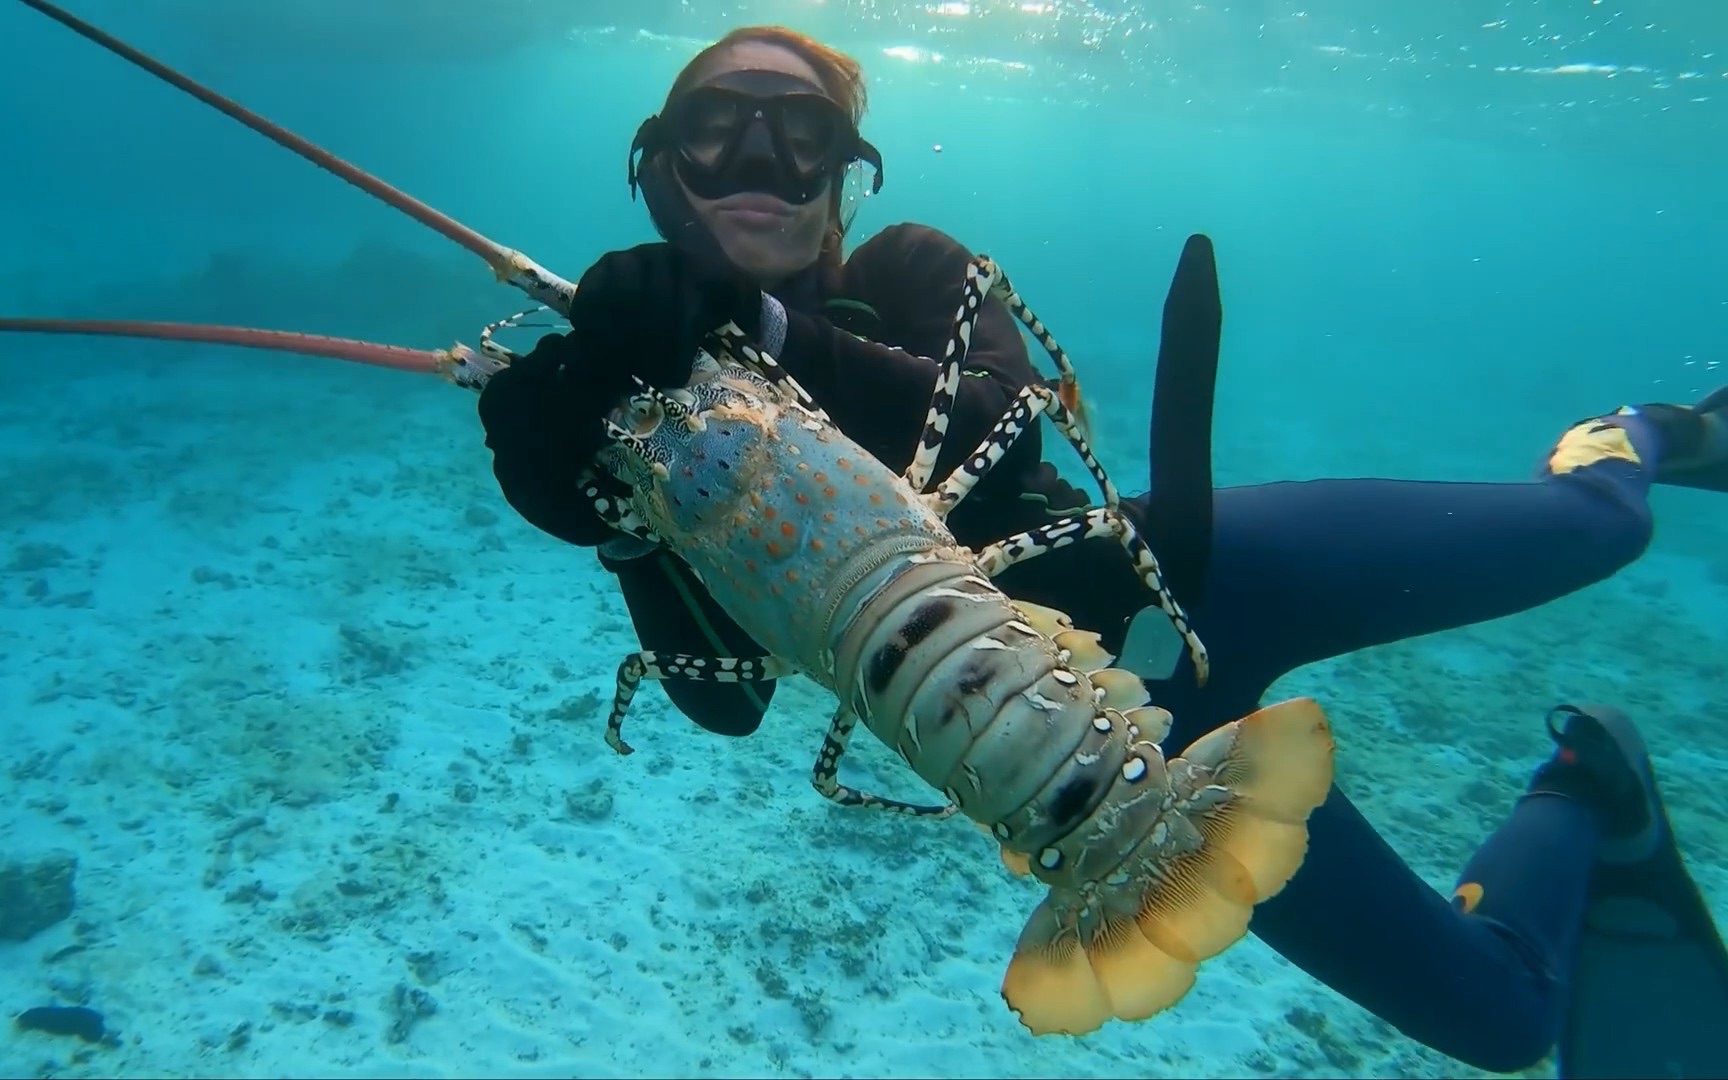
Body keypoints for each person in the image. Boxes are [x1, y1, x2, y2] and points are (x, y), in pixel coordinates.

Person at [475, 24, 1728, 1078]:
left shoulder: (911, 268)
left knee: (1598, 529)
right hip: (1119, 757)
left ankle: (1628, 435)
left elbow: (996, 420)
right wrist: (611, 525)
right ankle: (1586, 785)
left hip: (1195, 566)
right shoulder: (627, 415)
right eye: (714, 127)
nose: (758, 158)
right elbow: (728, 703)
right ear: (657, 171)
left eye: (800, 134)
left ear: (844, 178)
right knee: (1499, 1020)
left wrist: (759, 325)